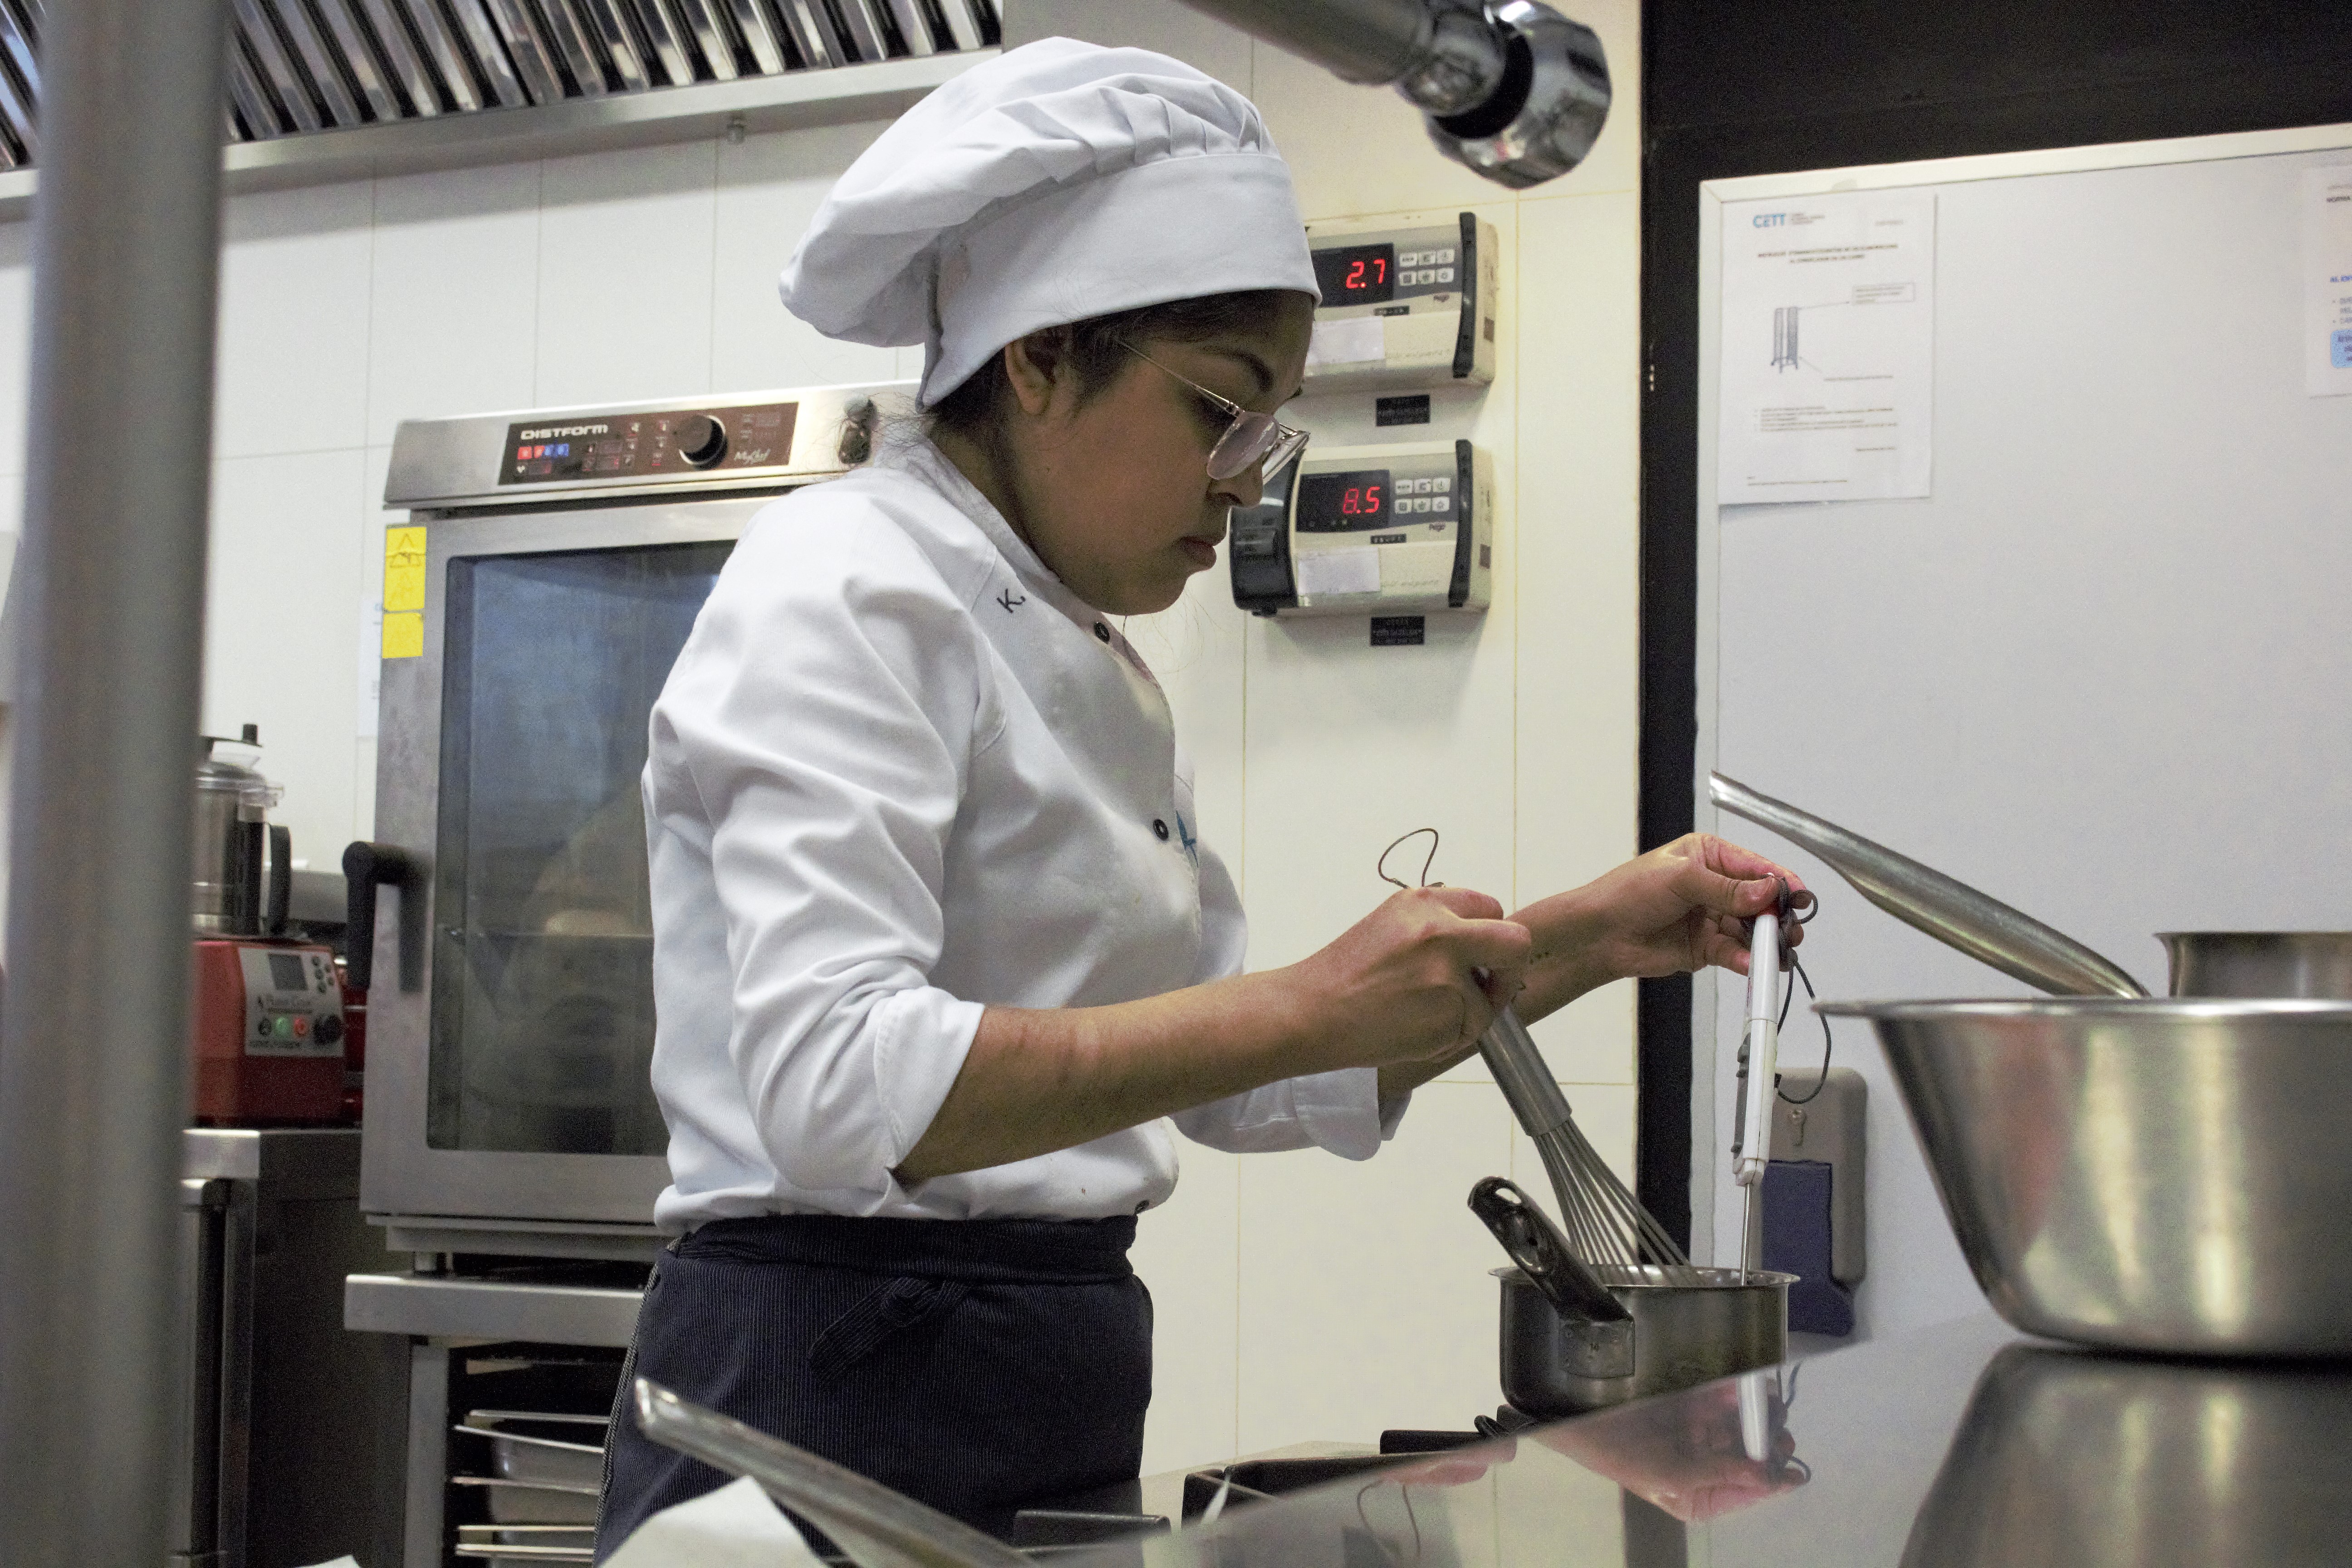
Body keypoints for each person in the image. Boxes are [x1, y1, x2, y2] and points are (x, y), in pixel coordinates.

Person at [594, 37, 1803, 1557]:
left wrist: (1585, 937)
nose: (1250, 481)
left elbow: (1224, 1071)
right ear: (1039, 357)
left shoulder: (1091, 654)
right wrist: (1303, 1005)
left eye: (1270, 428)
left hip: (1044, 1357)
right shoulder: (845, 584)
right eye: (1223, 412)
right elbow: (840, 1088)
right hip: (827, 1363)